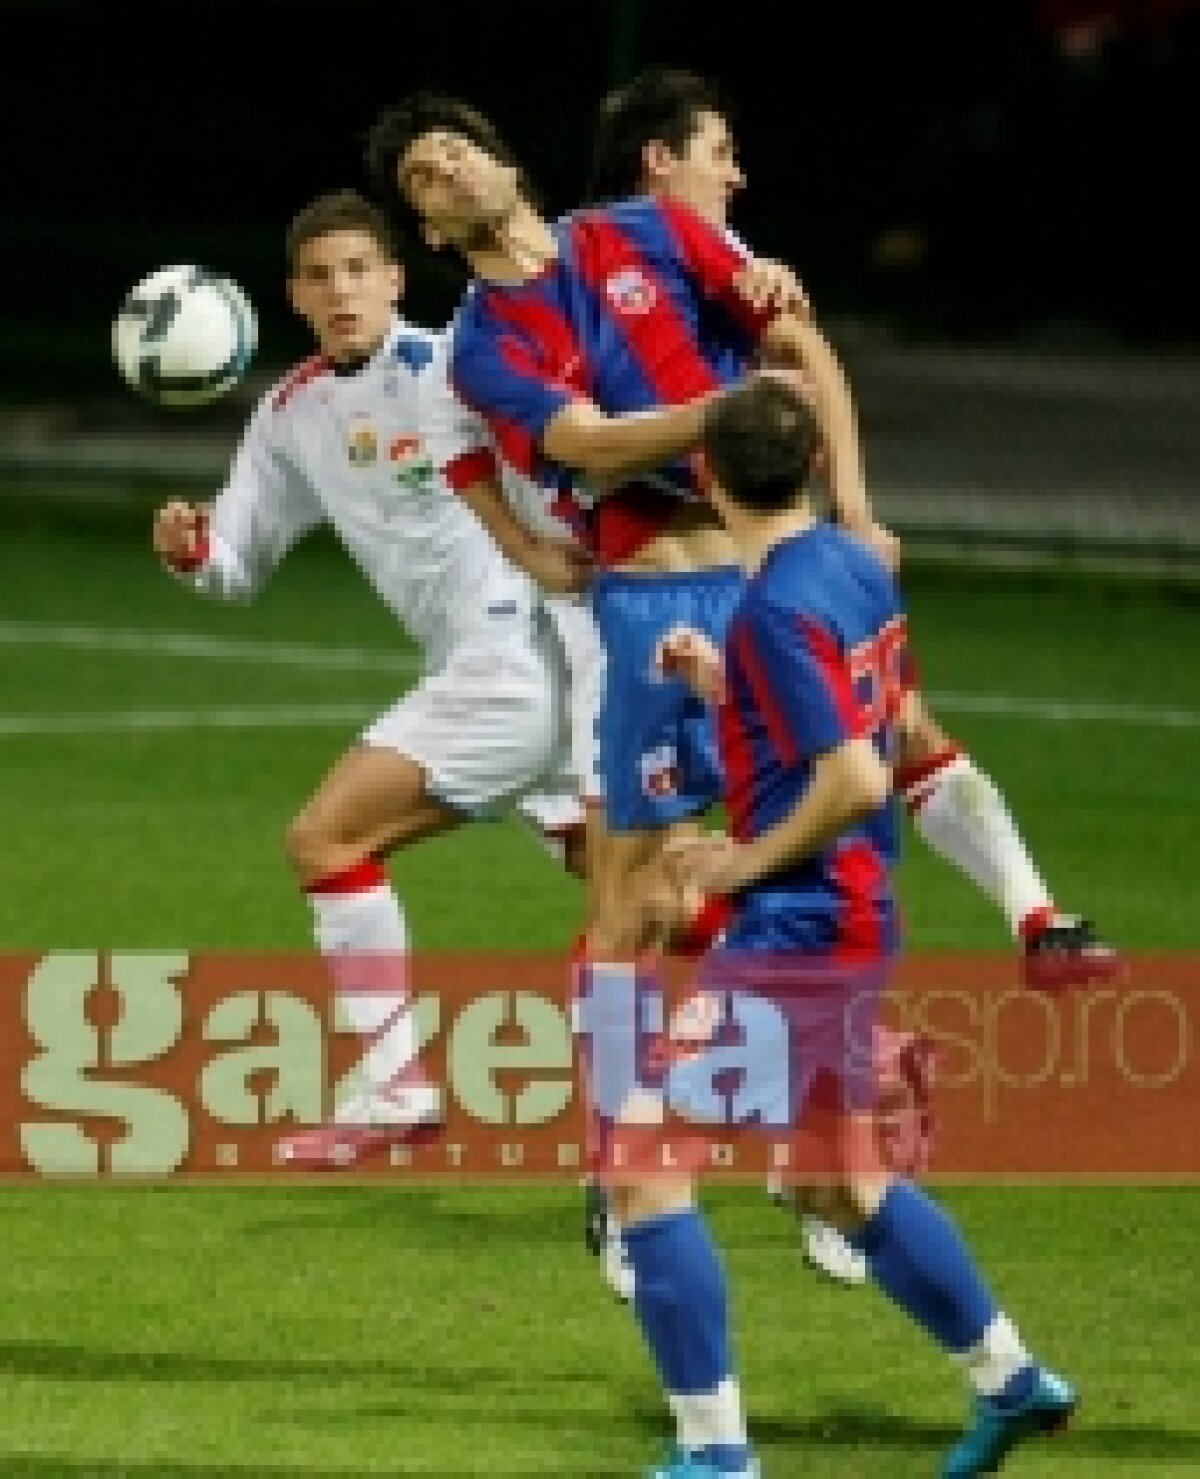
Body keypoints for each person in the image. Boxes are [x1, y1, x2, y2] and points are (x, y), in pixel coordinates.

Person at [588, 62, 1122, 1288]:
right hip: (630, 601)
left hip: (745, 568)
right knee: (644, 887)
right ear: (657, 163)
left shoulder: (731, 263)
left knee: (749, 838)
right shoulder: (584, 282)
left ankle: (729, 1160)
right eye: (718, 147)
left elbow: (806, 355)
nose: (738, 168)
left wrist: (854, 506)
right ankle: (753, 1146)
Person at [660, 374, 1077, 1478]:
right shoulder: (853, 564)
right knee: (833, 1182)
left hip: (797, 927)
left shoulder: (774, 608)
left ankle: (716, 1455)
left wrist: (734, 862)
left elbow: (851, 777)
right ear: (807, 470)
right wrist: (725, 689)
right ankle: (1012, 1381)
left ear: (705, 478)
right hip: (853, 917)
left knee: (642, 1159)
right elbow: (875, 725)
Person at [152, 189, 591, 1165]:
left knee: (326, 836)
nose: (342, 289)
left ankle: (395, 1088)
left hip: (517, 660)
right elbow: (240, 563)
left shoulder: (460, 371)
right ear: (294, 295)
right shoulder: (291, 415)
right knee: (637, 885)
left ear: (396, 280)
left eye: (360, 269)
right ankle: (855, 1047)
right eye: (320, 275)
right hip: (523, 679)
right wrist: (193, 548)